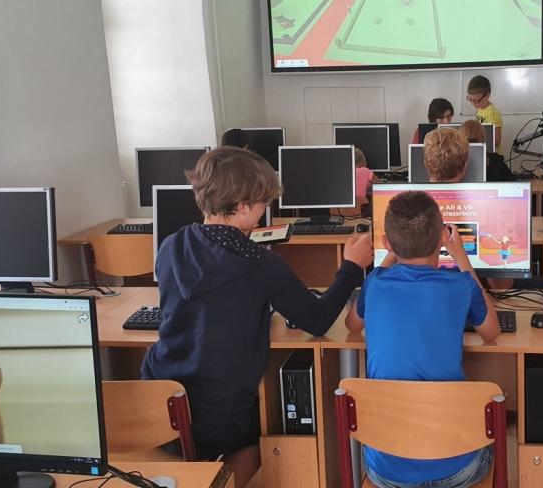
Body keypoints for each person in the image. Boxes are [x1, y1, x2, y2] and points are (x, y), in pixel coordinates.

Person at [141, 147, 373, 487]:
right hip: (218, 418)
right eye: (263, 202)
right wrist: (351, 267)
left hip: (159, 404)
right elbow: (318, 319)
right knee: (258, 441)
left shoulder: (171, 246)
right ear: (242, 207)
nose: (266, 210)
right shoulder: (261, 264)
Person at [346, 191, 500, 487]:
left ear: (387, 243)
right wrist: (461, 257)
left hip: (386, 473)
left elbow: (353, 325)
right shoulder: (461, 285)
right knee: (495, 432)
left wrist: (391, 253)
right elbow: (491, 333)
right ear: (442, 238)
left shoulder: (374, 283)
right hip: (456, 471)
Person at [466, 75, 504, 156]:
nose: (473, 103)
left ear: (487, 95)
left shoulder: (492, 112)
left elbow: (497, 140)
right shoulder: (480, 109)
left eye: (477, 100)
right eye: (470, 99)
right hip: (483, 152)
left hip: (493, 156)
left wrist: (477, 142)